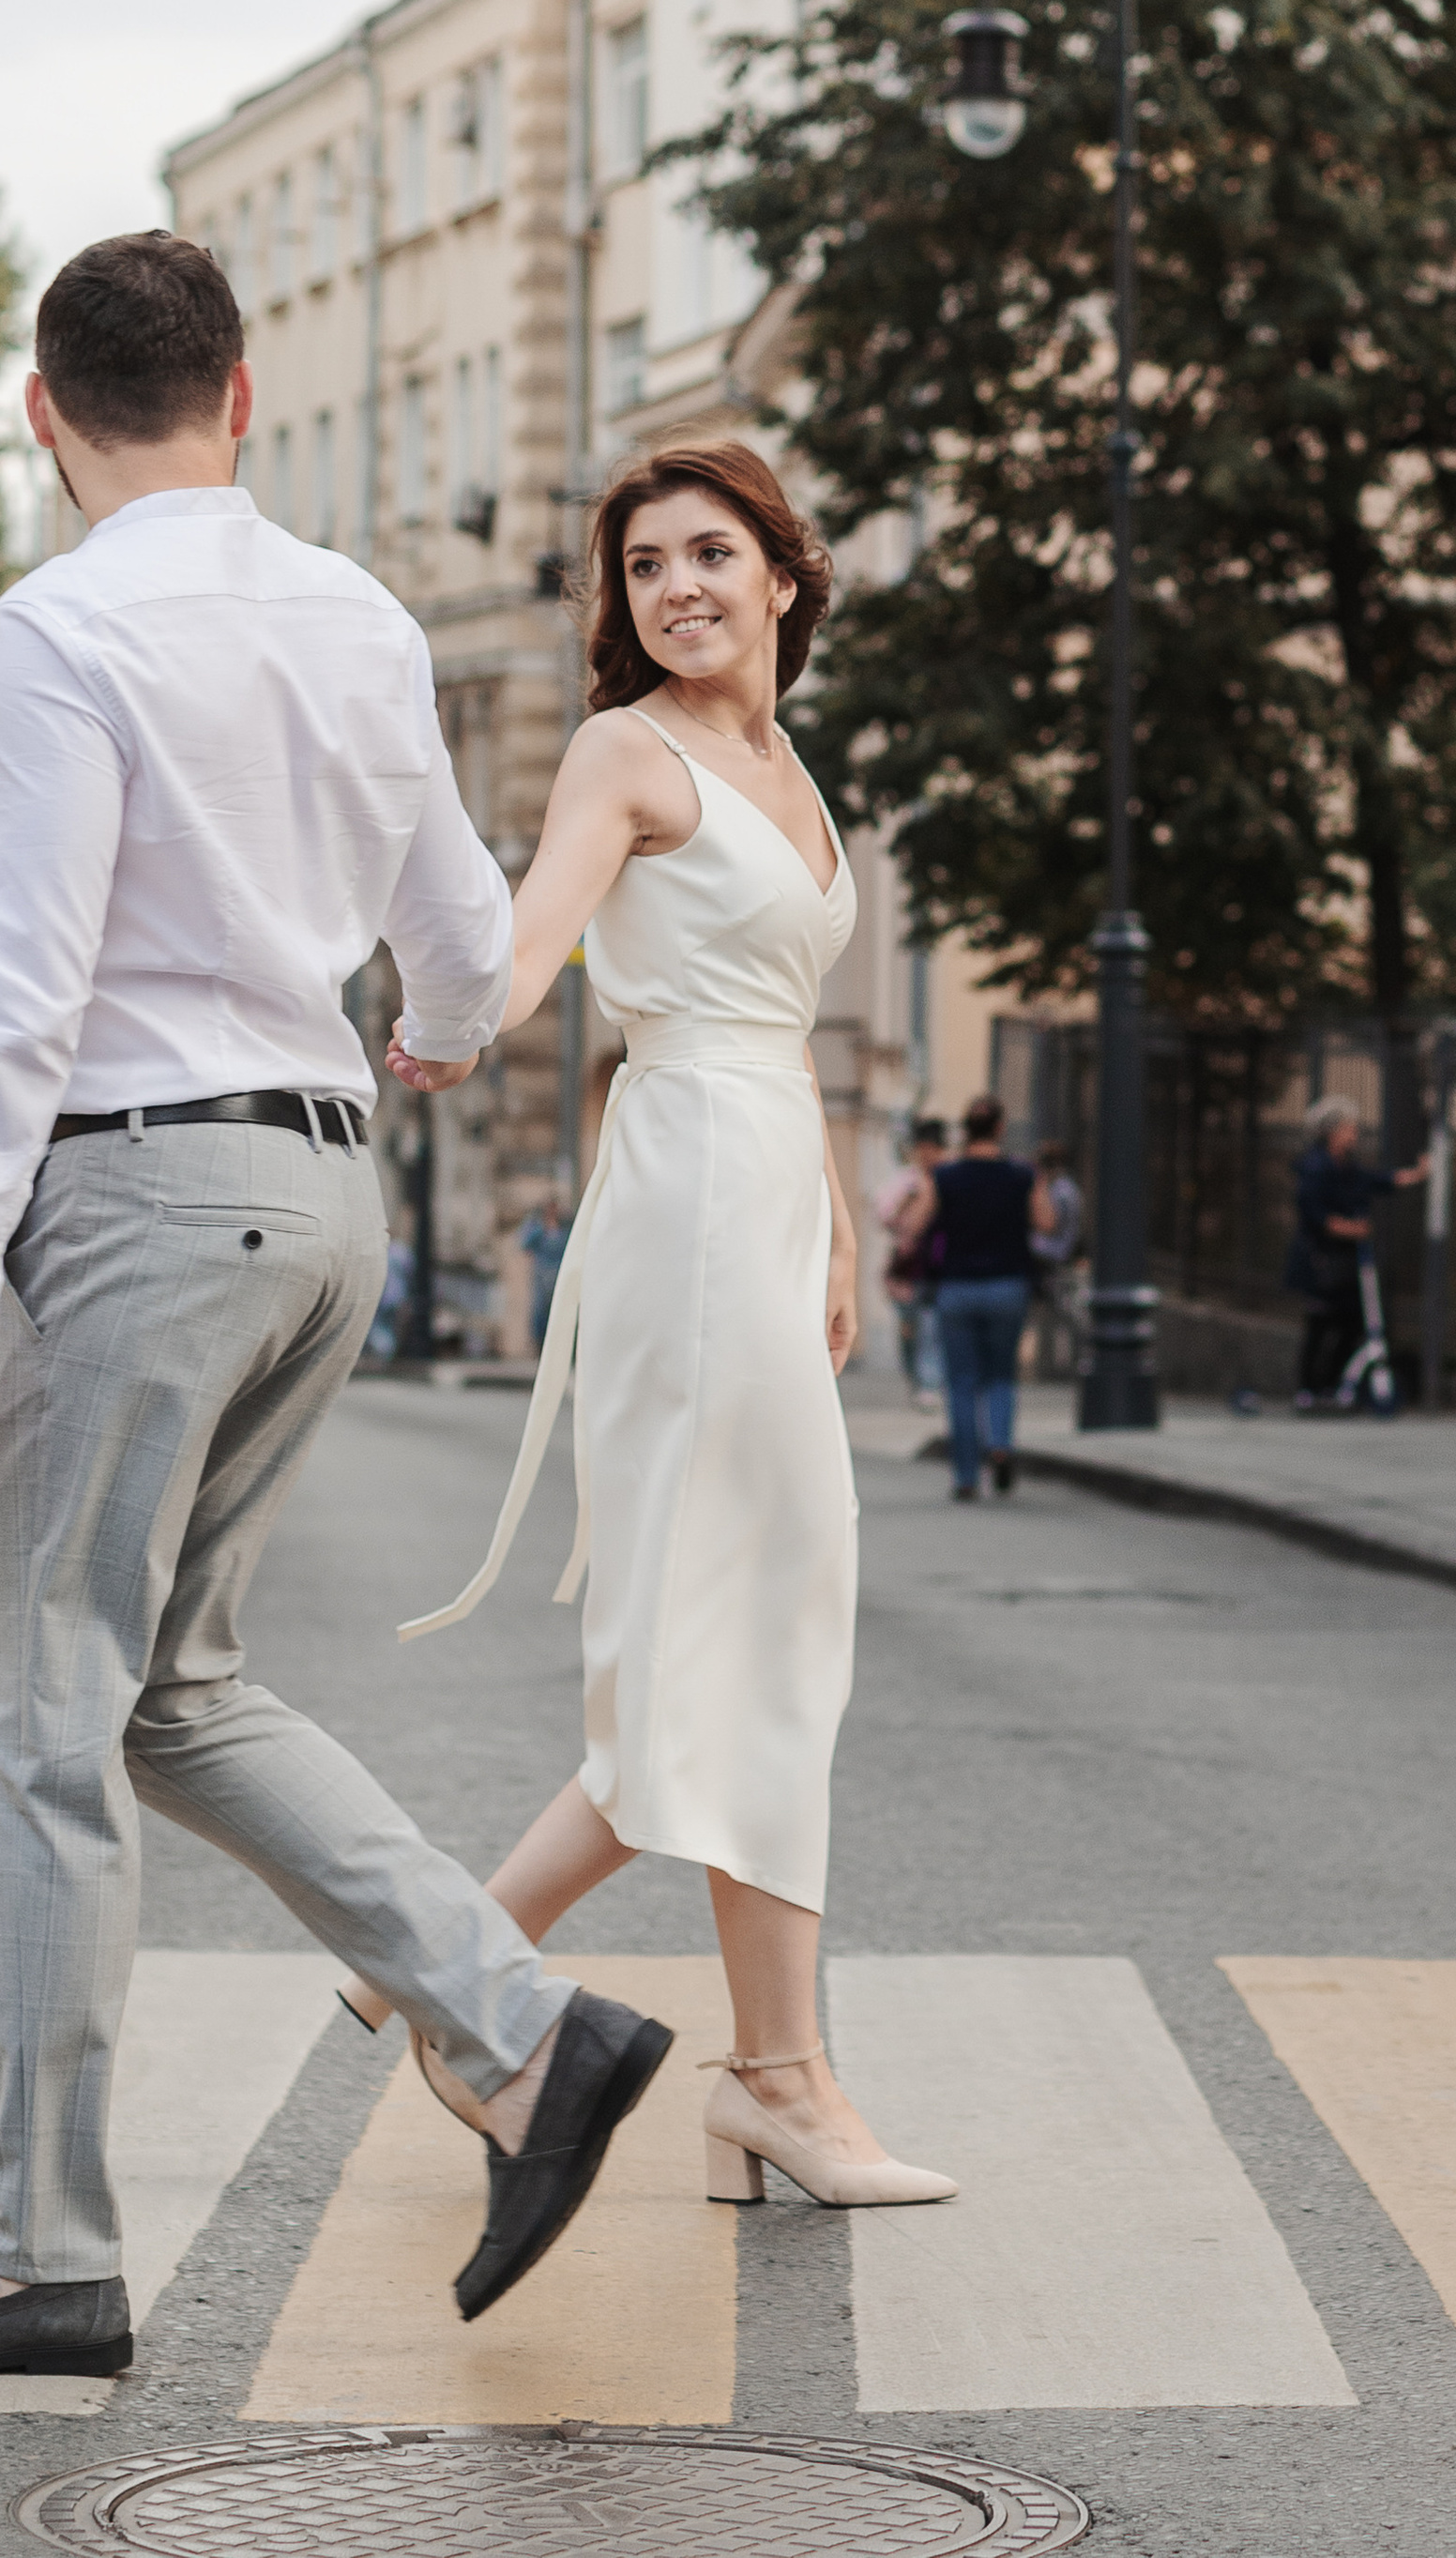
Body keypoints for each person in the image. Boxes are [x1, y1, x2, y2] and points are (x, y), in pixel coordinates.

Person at [0, 232, 669, 2396]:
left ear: (37, 411)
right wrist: (440, 1025)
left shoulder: (63, 624)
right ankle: (520, 2023)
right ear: (243, 399)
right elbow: (454, 916)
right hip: (319, 1193)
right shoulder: (351, 611)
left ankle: (29, 2259)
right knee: (170, 1686)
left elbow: (9, 989)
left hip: (140, 1201)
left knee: (37, 1717)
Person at [372, 443, 953, 2215]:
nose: (678, 585)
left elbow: (776, 1022)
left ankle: (482, 1970)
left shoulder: (788, 768)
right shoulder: (633, 750)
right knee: (745, 1635)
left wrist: (838, 1223)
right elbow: (542, 930)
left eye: (713, 552)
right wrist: (459, 1013)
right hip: (690, 1197)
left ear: (788, 573)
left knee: (741, 1642)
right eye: (644, 566)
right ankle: (769, 2074)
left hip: (765, 1192)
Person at [902, 1098, 1034, 1497]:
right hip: (1008, 1285)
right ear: (1000, 1128)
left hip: (957, 1288)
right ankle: (999, 1445)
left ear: (965, 1130)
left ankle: (965, 1476)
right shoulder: (1021, 1175)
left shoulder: (946, 1177)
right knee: (1001, 1376)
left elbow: (913, 1226)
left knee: (960, 1381)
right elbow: (1046, 1221)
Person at [1285, 1095, 1430, 1411]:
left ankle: (1332, 1386)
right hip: (1320, 1262)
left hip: (1346, 1263)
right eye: (1350, 1129)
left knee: (1350, 1324)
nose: (1354, 1135)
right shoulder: (1315, 1167)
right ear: (1332, 1131)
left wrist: (1415, 1176)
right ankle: (1309, 1389)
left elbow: (1376, 1181)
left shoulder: (1346, 1167)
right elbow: (1314, 1213)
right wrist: (1350, 1228)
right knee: (1320, 1325)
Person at [872, 1117, 948, 1395]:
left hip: (940, 1264)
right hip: (908, 1267)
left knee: (932, 1325)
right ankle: (917, 1377)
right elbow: (882, 1216)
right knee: (910, 1326)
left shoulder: (948, 1176)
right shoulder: (906, 1180)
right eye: (923, 1149)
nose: (927, 1155)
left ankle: (930, 1381)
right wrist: (908, 1202)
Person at [1027, 1136, 1084, 1383]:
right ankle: (1052, 1364)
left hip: (1052, 1257)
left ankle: (1061, 1366)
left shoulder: (1061, 1192)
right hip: (1053, 1256)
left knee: (1061, 1313)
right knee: (1055, 1313)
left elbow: (1050, 1225)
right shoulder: (1065, 1190)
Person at [518, 1188, 572, 1363]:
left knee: (561, 1313)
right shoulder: (537, 1228)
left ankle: (562, 1351)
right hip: (542, 1277)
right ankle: (540, 1348)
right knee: (540, 1313)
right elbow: (524, 1244)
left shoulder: (565, 1229)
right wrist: (542, 1227)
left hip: (560, 1277)